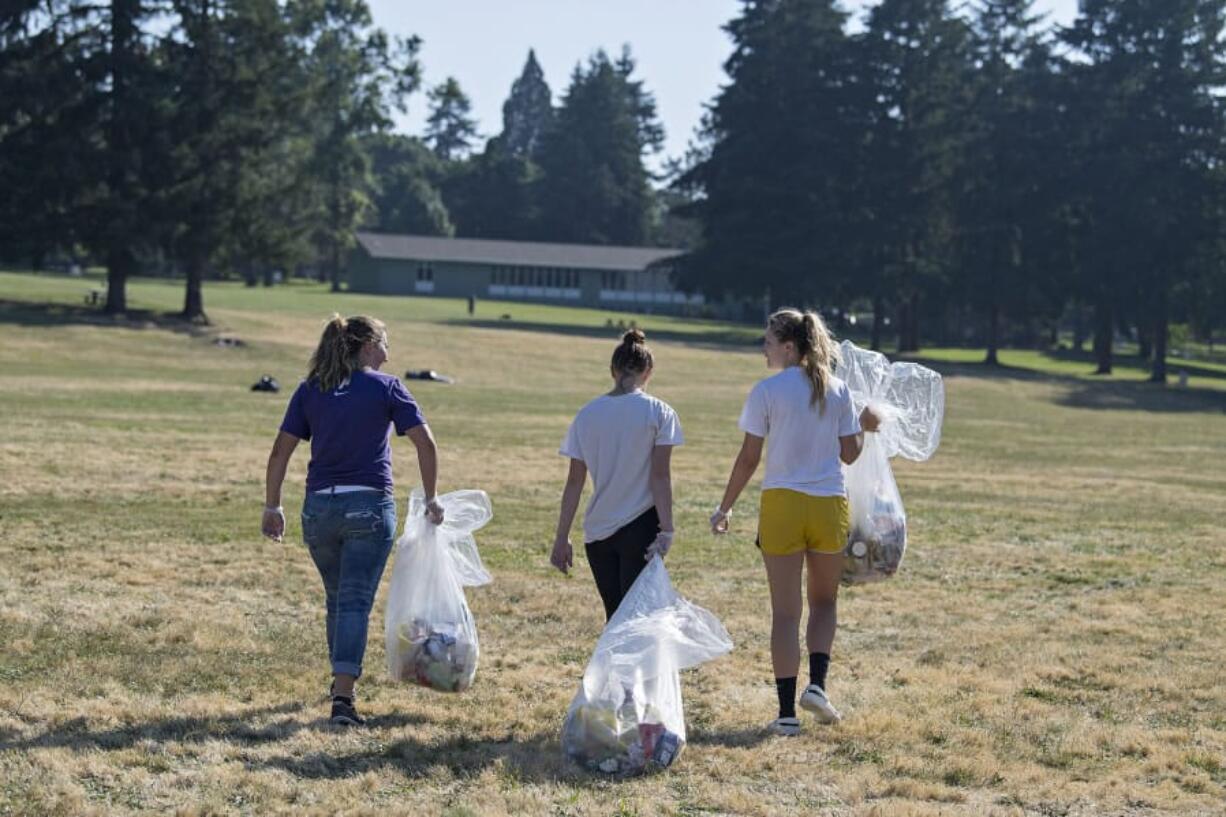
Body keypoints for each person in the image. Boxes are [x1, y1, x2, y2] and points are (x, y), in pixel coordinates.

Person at [262, 314, 445, 726]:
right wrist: (431, 496)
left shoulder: (312, 389)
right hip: (367, 508)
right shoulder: (387, 387)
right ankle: (343, 698)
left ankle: (339, 682)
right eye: (384, 342)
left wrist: (272, 505)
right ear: (366, 346)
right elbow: (425, 442)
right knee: (354, 603)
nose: (388, 351)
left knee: (338, 600)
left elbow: (279, 451)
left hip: (319, 510)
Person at [710, 308, 879, 736]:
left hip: (781, 505)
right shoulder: (838, 390)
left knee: (785, 614)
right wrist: (864, 426)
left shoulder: (767, 391)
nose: (763, 348)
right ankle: (817, 687)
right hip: (827, 505)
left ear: (789, 346)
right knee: (825, 603)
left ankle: (786, 714)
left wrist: (725, 506)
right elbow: (850, 454)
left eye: (768, 341)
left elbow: (749, 458)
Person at [550, 329, 683, 620]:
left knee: (616, 617)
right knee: (636, 619)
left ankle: (614, 666)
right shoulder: (660, 413)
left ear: (612, 370)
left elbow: (574, 482)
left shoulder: (587, 415)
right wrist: (668, 530)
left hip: (598, 530)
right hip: (642, 525)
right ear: (649, 371)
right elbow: (660, 477)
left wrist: (562, 537)